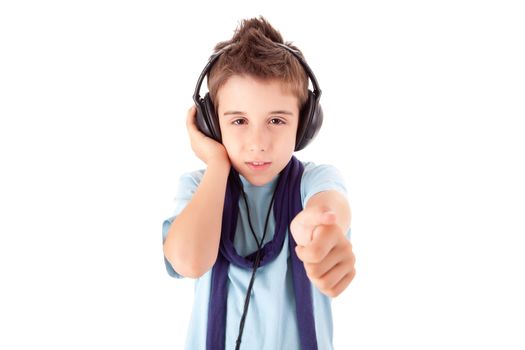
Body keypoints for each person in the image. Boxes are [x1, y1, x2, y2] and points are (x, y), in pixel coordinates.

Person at [162, 16, 356, 350]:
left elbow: (328, 207)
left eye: (277, 120)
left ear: (305, 125)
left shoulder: (315, 180)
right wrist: (217, 162)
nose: (258, 142)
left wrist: (321, 230)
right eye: (238, 120)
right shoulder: (199, 187)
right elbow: (189, 261)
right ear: (211, 124)